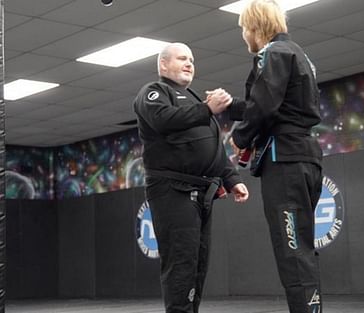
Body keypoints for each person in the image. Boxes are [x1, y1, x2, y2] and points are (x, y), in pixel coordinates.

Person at [133, 42, 249, 313]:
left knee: (198, 264)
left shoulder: (196, 100)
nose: (189, 64)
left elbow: (211, 147)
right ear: (163, 64)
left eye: (192, 60)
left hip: (202, 192)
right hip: (172, 190)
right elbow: (164, 119)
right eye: (182, 58)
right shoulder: (154, 92)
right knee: (181, 264)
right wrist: (208, 109)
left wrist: (232, 179)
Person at [227, 1, 323, 312]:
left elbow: (264, 108)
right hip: (305, 157)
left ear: (255, 27)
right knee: (301, 249)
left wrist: (239, 138)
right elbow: (275, 104)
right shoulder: (299, 55)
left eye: (244, 29)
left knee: (292, 250)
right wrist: (230, 108)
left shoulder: (273, 54)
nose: (244, 36)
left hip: (285, 163)